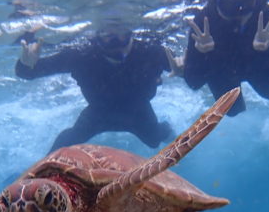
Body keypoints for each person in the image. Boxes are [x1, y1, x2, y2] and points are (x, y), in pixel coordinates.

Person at [16, 25, 179, 152]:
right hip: (98, 113)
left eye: (122, 35)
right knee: (69, 140)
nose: (117, 44)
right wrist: (26, 63)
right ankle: (37, 175)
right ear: (97, 38)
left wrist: (186, 68)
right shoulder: (80, 55)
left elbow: (191, 72)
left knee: (154, 141)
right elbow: (27, 73)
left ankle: (165, 128)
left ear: (131, 34)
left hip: (139, 113)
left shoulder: (150, 51)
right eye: (108, 37)